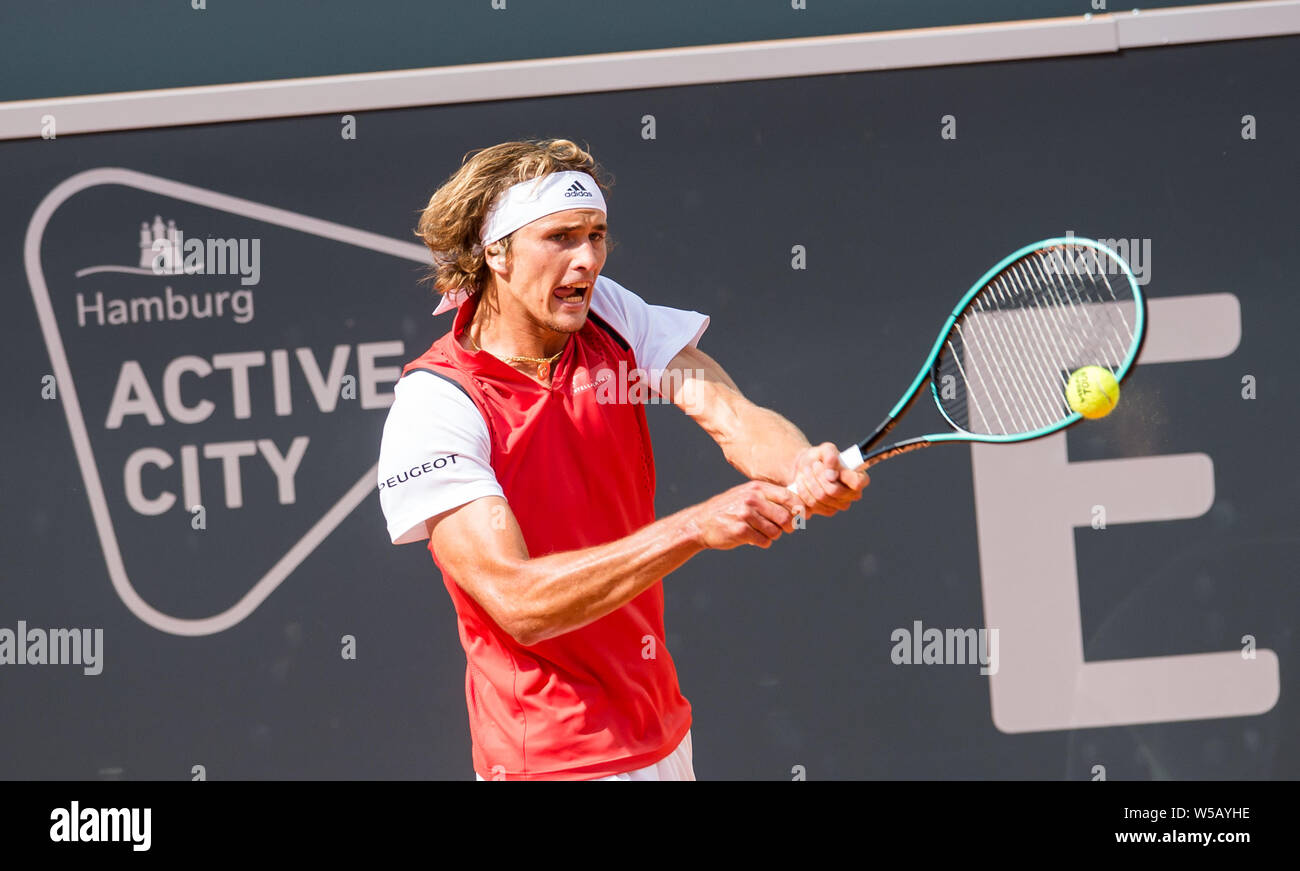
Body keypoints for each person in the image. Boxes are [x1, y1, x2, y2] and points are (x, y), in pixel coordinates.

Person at [377, 138, 868, 781]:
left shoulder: (607, 314)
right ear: (495, 252)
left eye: (597, 235)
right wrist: (695, 528)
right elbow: (518, 601)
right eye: (560, 238)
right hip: (551, 761)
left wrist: (803, 463)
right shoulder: (437, 406)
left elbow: (733, 416)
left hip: (660, 735)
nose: (586, 260)